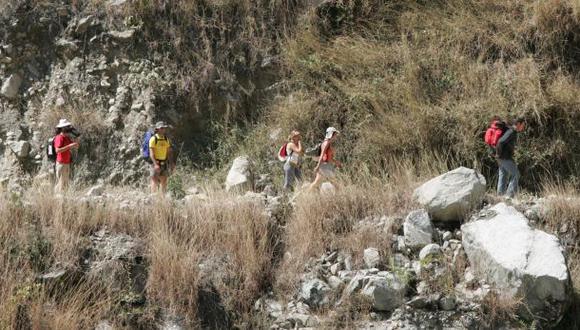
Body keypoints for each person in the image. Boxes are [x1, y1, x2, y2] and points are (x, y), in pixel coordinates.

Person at [496, 117, 526, 198]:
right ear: (518, 124)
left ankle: (500, 196)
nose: (523, 127)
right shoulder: (511, 132)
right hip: (504, 157)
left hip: (501, 157)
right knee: (516, 174)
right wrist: (499, 155)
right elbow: (500, 142)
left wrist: (498, 156)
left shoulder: (511, 131)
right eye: (523, 125)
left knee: (503, 175)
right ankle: (509, 196)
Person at [309, 127, 341, 192]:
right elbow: (322, 155)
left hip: (327, 165)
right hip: (324, 166)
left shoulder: (328, 143)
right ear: (331, 134)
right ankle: (306, 194)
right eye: (335, 134)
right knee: (334, 183)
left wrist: (336, 162)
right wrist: (317, 166)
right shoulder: (326, 143)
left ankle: (306, 194)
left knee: (334, 183)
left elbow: (329, 157)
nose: (336, 136)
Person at [54, 119, 79, 193]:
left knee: (65, 184)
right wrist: (69, 146)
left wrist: (77, 138)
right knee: (60, 184)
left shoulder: (67, 137)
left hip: (66, 163)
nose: (69, 128)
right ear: (63, 128)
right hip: (61, 164)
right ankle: (58, 199)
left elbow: (76, 146)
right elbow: (57, 150)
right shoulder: (59, 137)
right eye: (67, 127)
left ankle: (63, 199)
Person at [149, 121, 173, 194]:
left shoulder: (166, 139)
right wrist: (155, 164)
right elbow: (151, 153)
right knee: (154, 179)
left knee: (164, 179)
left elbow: (169, 152)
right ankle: (153, 197)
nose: (163, 129)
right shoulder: (153, 139)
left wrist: (171, 163)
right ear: (157, 129)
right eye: (161, 128)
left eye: (164, 128)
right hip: (155, 162)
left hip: (164, 162)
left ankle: (163, 197)